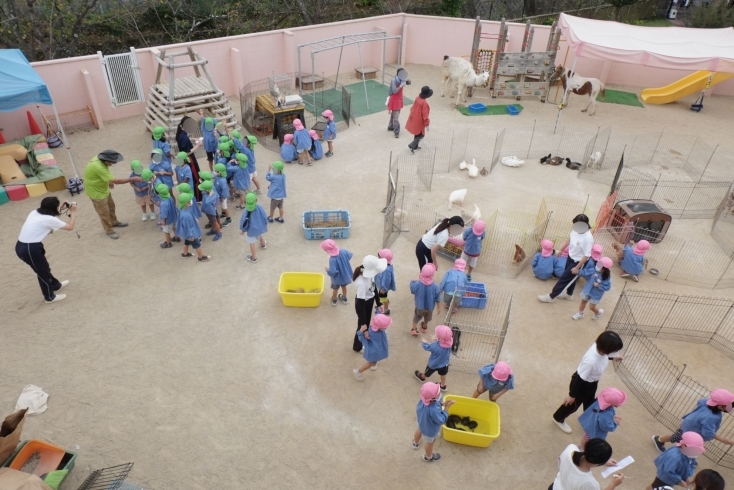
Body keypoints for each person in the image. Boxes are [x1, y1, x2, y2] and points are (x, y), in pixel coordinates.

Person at [552, 331, 624, 434]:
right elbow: (579, 378)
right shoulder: (591, 362)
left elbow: (604, 356)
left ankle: (589, 419)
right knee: (573, 405)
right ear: (605, 350)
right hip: (582, 385)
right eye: (614, 351)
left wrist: (613, 357)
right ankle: (558, 418)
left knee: (590, 403)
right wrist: (572, 395)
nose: (616, 352)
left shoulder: (598, 346)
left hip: (592, 383)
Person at [16, 197, 76, 303]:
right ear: (53, 208)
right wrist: (73, 211)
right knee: (42, 272)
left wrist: (60, 209)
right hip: (30, 249)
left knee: (44, 269)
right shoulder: (50, 219)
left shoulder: (34, 212)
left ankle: (55, 285)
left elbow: (50, 218)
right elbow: (70, 227)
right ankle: (49, 297)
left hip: (24, 246)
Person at [653, 389, 734, 453]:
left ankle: (686, 454)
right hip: (690, 431)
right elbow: (708, 432)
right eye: (730, 405)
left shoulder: (706, 402)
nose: (731, 407)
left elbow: (700, 401)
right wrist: (723, 440)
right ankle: (658, 439)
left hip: (688, 424)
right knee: (676, 438)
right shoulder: (711, 417)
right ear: (720, 407)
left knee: (687, 443)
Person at [84, 150, 141, 239]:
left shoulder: (100, 160)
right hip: (96, 193)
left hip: (103, 189)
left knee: (111, 206)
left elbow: (105, 174)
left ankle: (114, 222)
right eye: (112, 162)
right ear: (107, 161)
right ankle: (109, 230)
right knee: (104, 213)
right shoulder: (98, 167)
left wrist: (108, 180)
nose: (113, 164)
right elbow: (117, 181)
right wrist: (131, 179)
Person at [539, 214, 594, 303]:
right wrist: (561, 249)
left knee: (564, 279)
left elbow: (587, 255)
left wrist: (577, 268)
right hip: (570, 257)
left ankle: (551, 296)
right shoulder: (575, 230)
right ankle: (569, 294)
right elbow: (569, 240)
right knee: (571, 278)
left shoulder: (588, 238)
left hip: (578, 262)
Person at [550, 438, 624, 490]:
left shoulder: (571, 448)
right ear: (597, 463)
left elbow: (582, 458)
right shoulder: (589, 483)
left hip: (554, 487)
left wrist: (602, 462)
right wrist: (613, 484)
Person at [412, 382, 455, 463]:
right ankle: (428, 457)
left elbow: (432, 403)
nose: (440, 394)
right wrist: (446, 408)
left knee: (419, 430)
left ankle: (415, 443)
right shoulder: (434, 409)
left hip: (421, 422)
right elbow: (441, 420)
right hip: (429, 430)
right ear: (433, 399)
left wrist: (442, 403)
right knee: (430, 442)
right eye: (438, 394)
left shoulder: (423, 399)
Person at [352, 255, 387, 352]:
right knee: (362, 326)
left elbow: (373, 287)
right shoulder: (361, 283)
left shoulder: (369, 274)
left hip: (369, 301)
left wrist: (378, 302)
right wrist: (363, 323)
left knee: (366, 323)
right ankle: (357, 346)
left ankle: (363, 337)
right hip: (363, 304)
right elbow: (361, 303)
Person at [414, 325, 453, 391]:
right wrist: (438, 338)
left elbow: (428, 347)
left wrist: (425, 342)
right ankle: (443, 385)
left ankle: (422, 377)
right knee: (443, 374)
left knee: (427, 372)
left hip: (434, 364)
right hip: (445, 363)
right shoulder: (450, 341)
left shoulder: (435, 346)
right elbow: (444, 340)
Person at [353, 313, 391, 381]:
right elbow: (363, 340)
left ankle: (374, 363)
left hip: (377, 350)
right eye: (385, 326)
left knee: (374, 360)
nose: (387, 327)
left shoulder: (377, 329)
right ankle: (358, 371)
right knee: (371, 362)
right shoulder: (371, 333)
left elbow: (378, 317)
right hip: (374, 352)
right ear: (379, 327)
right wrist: (361, 332)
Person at [176, 193, 210, 261]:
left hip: (187, 233)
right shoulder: (186, 216)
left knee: (187, 242)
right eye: (189, 200)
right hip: (191, 233)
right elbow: (187, 227)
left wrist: (194, 218)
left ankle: (185, 253)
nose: (191, 201)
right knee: (197, 244)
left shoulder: (183, 208)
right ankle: (201, 257)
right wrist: (191, 236)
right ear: (186, 203)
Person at [410, 264, 442, 336]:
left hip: (419, 307)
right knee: (427, 318)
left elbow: (412, 290)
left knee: (416, 317)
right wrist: (439, 307)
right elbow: (438, 298)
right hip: (429, 308)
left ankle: (414, 329)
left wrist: (412, 282)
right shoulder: (435, 286)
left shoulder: (417, 283)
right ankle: (424, 327)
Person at [321, 239, 353, 307]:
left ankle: (334, 300)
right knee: (344, 286)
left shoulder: (332, 259)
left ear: (328, 250)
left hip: (336, 279)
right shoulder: (344, 251)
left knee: (335, 289)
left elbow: (333, 271)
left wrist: (328, 270)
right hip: (345, 276)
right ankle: (344, 298)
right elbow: (350, 255)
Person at [239, 193, 268, 263]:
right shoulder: (260, 207)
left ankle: (254, 257)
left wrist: (243, 230)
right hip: (260, 227)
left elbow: (244, 221)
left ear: (246, 202)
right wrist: (265, 222)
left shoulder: (246, 211)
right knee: (259, 234)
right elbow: (265, 216)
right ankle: (263, 244)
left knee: (251, 243)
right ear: (256, 200)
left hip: (251, 231)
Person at [175, 115, 203, 182]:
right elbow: (187, 152)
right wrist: (198, 145)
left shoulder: (181, 133)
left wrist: (191, 139)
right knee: (195, 176)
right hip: (189, 159)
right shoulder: (184, 138)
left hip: (183, 158)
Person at [406, 85, 432, 154]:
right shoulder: (424, 103)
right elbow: (425, 115)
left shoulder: (417, 98)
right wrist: (427, 124)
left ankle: (415, 146)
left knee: (417, 133)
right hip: (419, 120)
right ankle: (412, 145)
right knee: (421, 135)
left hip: (414, 117)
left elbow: (412, 107)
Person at [387, 67, 410, 139]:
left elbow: (409, 83)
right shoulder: (394, 80)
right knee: (396, 117)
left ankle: (391, 126)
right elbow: (394, 91)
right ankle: (396, 131)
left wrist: (407, 80)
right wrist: (400, 86)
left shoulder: (402, 79)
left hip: (399, 99)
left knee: (394, 114)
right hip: (394, 99)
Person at [374, 249, 396, 315]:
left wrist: (383, 289)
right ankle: (386, 301)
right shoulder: (387, 264)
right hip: (382, 286)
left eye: (380, 257)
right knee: (383, 297)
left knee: (383, 298)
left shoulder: (386, 269)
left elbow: (386, 280)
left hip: (383, 288)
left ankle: (386, 310)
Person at [157, 184, 178, 248]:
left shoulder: (164, 204)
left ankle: (168, 243)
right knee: (174, 227)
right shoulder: (170, 198)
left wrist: (163, 221)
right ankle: (177, 237)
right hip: (174, 217)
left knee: (166, 231)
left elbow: (164, 213)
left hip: (168, 220)